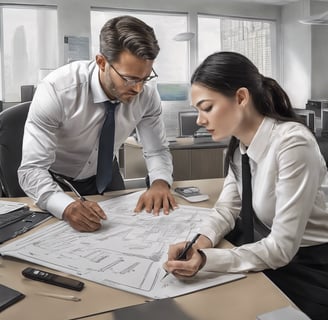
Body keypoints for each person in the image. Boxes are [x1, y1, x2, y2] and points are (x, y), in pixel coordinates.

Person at [164, 51, 328, 320]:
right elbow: (227, 209)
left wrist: (207, 260)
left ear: (241, 98)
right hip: (262, 250)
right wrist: (199, 243)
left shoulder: (293, 144)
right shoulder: (241, 145)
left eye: (207, 107)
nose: (199, 120)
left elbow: (282, 248)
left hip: (308, 264)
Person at [18, 15, 177, 232]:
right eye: (129, 78)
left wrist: (160, 182)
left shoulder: (147, 95)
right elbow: (32, 169)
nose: (138, 89)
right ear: (102, 62)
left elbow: (157, 149)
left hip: (105, 173)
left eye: (145, 78)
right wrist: (65, 207)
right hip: (57, 181)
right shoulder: (57, 90)